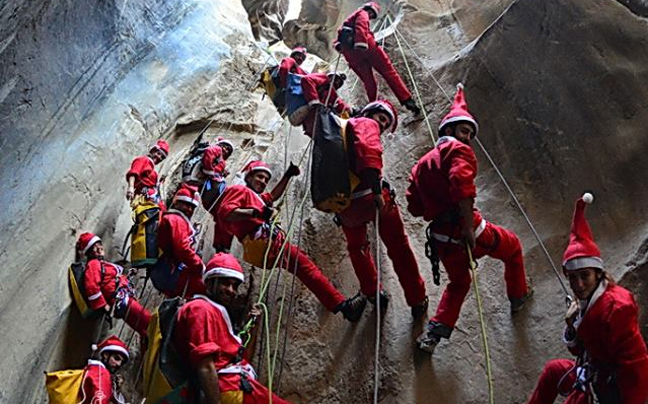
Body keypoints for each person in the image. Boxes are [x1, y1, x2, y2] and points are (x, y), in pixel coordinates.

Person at [408, 84, 531, 354]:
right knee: (513, 248)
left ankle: (433, 335)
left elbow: (414, 207)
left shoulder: (420, 165)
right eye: (465, 131)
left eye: (471, 134)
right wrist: (466, 226)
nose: (468, 138)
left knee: (460, 283)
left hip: (441, 237)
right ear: (448, 131)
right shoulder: (457, 151)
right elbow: (462, 186)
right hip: (469, 231)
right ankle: (518, 296)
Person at [526, 193, 648, 404]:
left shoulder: (617, 308)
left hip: (609, 390)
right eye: (573, 278)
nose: (579, 285)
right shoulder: (588, 303)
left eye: (585, 276)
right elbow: (582, 349)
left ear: (598, 273)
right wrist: (572, 327)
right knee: (554, 370)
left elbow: (635, 363)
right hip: (592, 374)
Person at [211, 160, 366, 321]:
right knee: (306, 268)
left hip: (266, 244)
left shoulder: (253, 197)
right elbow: (226, 212)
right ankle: (344, 307)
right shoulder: (238, 190)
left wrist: (287, 175)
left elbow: (272, 196)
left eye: (266, 179)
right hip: (267, 242)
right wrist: (256, 213)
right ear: (248, 177)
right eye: (259, 177)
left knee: (304, 267)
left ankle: (336, 303)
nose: (263, 182)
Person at [336, 99, 428, 318]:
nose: (382, 125)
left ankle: (372, 293)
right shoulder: (366, 123)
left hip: (346, 205)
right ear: (371, 112)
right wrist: (377, 190)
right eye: (382, 118)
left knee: (357, 249)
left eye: (385, 124)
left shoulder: (343, 129)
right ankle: (416, 298)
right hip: (372, 197)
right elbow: (368, 152)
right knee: (398, 246)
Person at [174, 252, 293, 403]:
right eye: (225, 283)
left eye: (235, 286)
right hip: (229, 389)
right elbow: (205, 366)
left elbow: (242, 359)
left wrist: (253, 326)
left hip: (237, 385)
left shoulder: (213, 311)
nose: (231, 290)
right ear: (210, 282)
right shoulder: (200, 309)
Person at [335, 2, 420, 114]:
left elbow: (338, 42)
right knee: (389, 72)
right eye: (371, 13)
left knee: (369, 82)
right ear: (369, 10)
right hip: (368, 49)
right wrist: (361, 42)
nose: (370, 15)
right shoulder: (362, 13)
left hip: (353, 57)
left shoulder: (347, 22)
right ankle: (407, 100)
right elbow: (361, 24)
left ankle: (372, 105)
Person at [77, 232, 151, 336]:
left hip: (123, 299)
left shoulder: (102, 264)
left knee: (142, 327)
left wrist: (128, 275)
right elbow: (92, 286)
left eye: (99, 244)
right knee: (149, 322)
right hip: (121, 301)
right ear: (89, 252)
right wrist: (102, 305)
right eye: (94, 247)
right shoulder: (93, 265)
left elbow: (111, 280)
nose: (99, 248)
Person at [156, 184, 206, 298]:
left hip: (164, 271)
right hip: (171, 272)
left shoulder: (171, 218)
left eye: (192, 207)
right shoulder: (176, 220)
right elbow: (182, 249)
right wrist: (199, 266)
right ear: (176, 202)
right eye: (186, 204)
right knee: (205, 291)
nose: (189, 209)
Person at [78, 335, 129, 404]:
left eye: (121, 362)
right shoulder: (100, 372)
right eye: (116, 358)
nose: (118, 364)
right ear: (106, 355)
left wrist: (116, 390)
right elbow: (100, 400)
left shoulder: (95, 370)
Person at [300, 71, 353, 137]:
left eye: (339, 83)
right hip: (313, 117)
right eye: (336, 80)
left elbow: (339, 104)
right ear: (331, 77)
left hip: (318, 125)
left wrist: (350, 110)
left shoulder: (332, 95)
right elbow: (307, 79)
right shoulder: (323, 79)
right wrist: (314, 102)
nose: (336, 83)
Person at [125, 139, 169, 207]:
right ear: (153, 151)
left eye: (162, 157)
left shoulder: (154, 172)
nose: (159, 157)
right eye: (158, 153)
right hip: (144, 197)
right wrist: (130, 187)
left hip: (151, 197)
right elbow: (133, 173)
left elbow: (153, 185)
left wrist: (160, 182)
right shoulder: (143, 160)